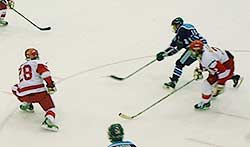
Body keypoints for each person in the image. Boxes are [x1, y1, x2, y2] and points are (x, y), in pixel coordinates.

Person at [12, 48, 59, 131]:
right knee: (51, 109)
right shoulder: (38, 63)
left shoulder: (22, 66)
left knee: (14, 88)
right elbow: (45, 74)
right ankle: (48, 121)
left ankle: (26, 104)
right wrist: (50, 85)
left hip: (24, 94)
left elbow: (23, 81)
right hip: (40, 93)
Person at [189, 40, 243, 110]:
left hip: (226, 66)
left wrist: (221, 84)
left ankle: (205, 103)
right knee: (215, 78)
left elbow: (222, 71)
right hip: (225, 61)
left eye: (192, 50)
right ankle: (235, 77)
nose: (191, 52)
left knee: (206, 84)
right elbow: (205, 62)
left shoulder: (207, 59)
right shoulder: (203, 49)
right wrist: (201, 69)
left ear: (197, 51)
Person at [156, 17, 207, 89]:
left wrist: (164, 54)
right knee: (209, 64)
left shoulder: (182, 29)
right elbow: (175, 47)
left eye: (174, 26)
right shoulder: (184, 30)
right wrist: (164, 54)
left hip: (195, 49)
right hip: (205, 48)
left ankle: (173, 82)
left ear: (177, 25)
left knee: (179, 64)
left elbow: (176, 47)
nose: (173, 29)